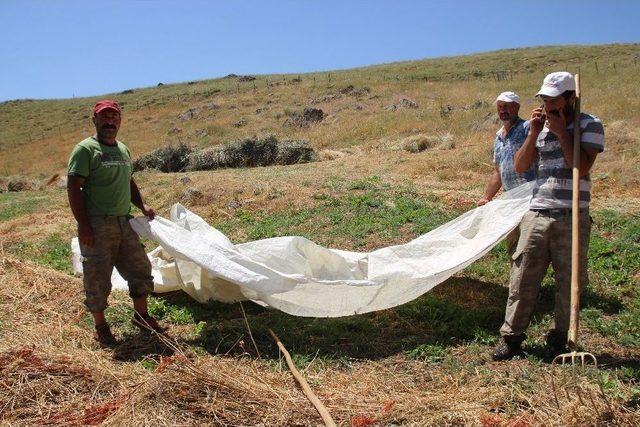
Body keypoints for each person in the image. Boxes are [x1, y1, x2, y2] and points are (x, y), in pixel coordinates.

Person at [492, 72, 605, 361]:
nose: (548, 104)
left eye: (554, 99)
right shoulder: (537, 127)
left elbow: (581, 165)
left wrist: (562, 133)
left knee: (569, 281)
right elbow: (520, 166)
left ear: (570, 98)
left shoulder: (589, 125)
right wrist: (533, 133)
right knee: (523, 275)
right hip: (537, 212)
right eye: (544, 98)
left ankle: (559, 338)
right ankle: (512, 337)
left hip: (572, 215)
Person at [67, 100, 165, 347]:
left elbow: (128, 181)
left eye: (114, 117)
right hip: (97, 224)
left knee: (140, 268)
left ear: (120, 121)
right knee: (97, 275)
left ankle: (141, 316)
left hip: (124, 222)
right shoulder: (85, 150)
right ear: (95, 120)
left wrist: (141, 206)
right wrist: (84, 225)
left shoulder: (123, 149)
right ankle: (101, 327)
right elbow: (74, 187)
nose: (110, 121)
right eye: (104, 117)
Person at [477, 91, 536, 258]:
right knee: (514, 245)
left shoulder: (528, 128)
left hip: (530, 199)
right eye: (500, 107)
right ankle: (517, 281)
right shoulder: (498, 137)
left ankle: (528, 282)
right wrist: (487, 197)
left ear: (517, 107)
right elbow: (498, 172)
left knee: (529, 245)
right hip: (510, 201)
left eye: (507, 106)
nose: (502, 111)